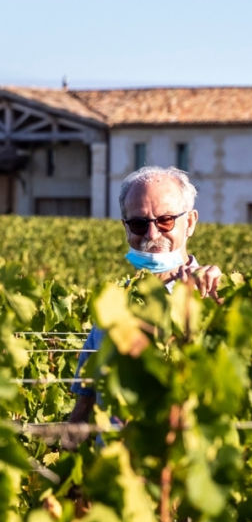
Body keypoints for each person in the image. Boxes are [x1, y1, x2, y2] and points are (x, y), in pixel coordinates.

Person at [69, 165, 222, 422]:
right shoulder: (112, 304)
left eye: (166, 220)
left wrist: (223, 303)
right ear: (126, 228)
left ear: (191, 223)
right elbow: (86, 400)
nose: (152, 234)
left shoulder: (212, 296)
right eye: (139, 224)